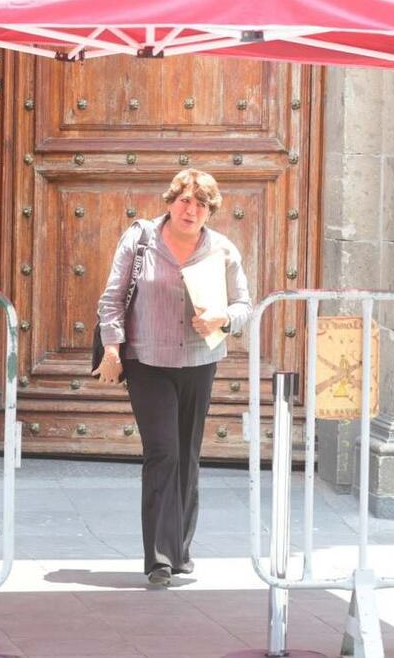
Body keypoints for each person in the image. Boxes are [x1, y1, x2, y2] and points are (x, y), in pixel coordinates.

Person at [94, 169, 252, 586]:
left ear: (210, 211)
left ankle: (180, 549)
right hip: (148, 362)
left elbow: (244, 306)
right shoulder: (141, 241)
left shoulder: (222, 250)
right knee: (163, 452)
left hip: (200, 362)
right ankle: (159, 558)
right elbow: (112, 296)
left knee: (187, 455)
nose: (191, 209)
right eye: (185, 200)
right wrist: (113, 348)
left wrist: (224, 319)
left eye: (201, 204)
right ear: (170, 202)